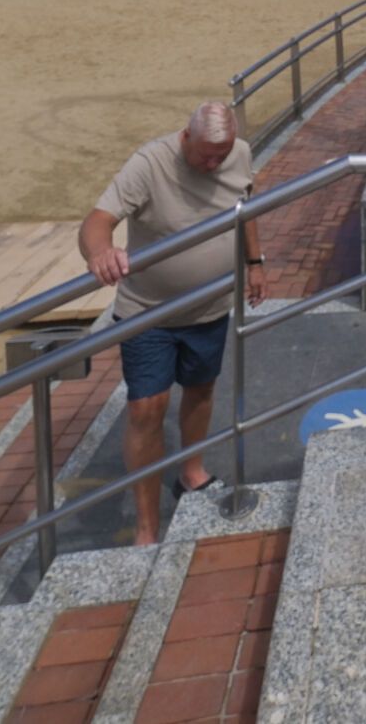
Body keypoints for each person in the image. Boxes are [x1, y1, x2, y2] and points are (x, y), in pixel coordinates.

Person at [78, 102, 264, 545]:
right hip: (148, 312)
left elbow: (247, 205)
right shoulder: (150, 163)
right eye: (206, 155)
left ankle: (192, 471)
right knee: (147, 408)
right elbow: (97, 220)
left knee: (201, 389)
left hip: (209, 306)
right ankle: (146, 528)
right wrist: (100, 253)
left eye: (221, 154)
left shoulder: (238, 152)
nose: (214, 163)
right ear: (186, 137)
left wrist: (254, 262)